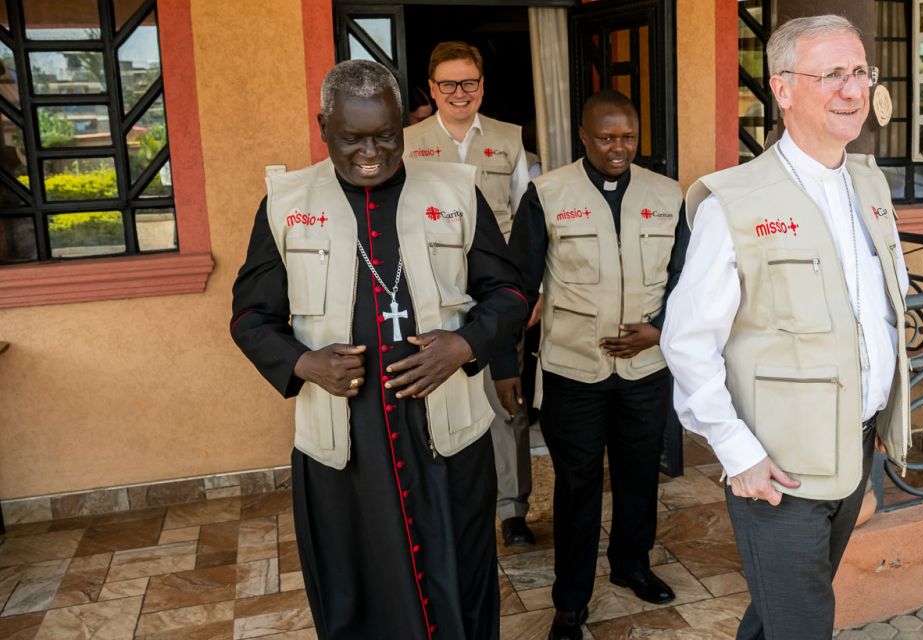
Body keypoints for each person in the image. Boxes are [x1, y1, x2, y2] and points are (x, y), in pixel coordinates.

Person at [230, 59, 528, 640]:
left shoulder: (456, 191)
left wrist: (465, 344)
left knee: (460, 578)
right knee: (353, 587)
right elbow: (248, 317)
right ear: (323, 127)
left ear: (402, 125)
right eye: (353, 137)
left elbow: (511, 291)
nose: (371, 151)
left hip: (445, 432)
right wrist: (302, 362)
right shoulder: (285, 203)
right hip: (344, 439)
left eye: (385, 136)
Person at [660, 15, 911, 639]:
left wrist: (880, 409)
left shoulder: (871, 185)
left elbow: (883, 312)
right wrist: (737, 452)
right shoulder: (733, 203)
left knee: (780, 614)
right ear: (783, 89)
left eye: (859, 72)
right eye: (831, 74)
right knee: (803, 623)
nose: (852, 90)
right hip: (777, 471)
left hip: (855, 451)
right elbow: (688, 342)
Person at [505, 89, 689, 640]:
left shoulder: (668, 195)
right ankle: (571, 599)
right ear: (583, 137)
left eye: (627, 137)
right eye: (606, 137)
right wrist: (502, 361)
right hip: (572, 370)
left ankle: (632, 565)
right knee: (577, 485)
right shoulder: (548, 193)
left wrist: (660, 332)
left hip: (645, 370)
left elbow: (686, 280)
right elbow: (517, 285)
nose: (618, 148)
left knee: (639, 476)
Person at [404, 41, 537, 546]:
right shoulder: (408, 142)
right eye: (449, 84)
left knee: (507, 400)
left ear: (482, 86)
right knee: (436, 397)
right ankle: (441, 502)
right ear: (432, 89)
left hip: (499, 293)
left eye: (470, 83)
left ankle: (512, 509)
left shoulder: (509, 139)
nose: (460, 93)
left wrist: (533, 289)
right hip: (431, 292)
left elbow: (528, 220)